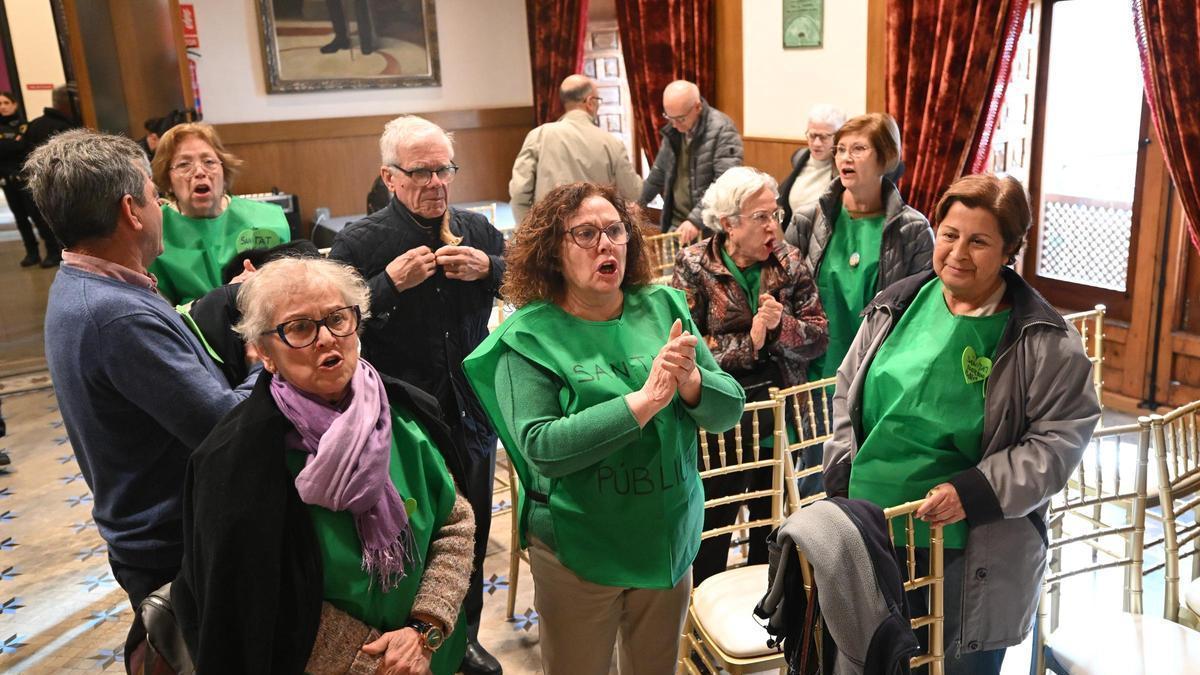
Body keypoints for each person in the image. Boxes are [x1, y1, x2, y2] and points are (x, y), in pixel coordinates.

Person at [823, 174, 1101, 674]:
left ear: (1010, 250)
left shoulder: (1044, 339)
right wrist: (842, 469)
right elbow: (848, 390)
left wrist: (972, 493)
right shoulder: (897, 304)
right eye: (950, 235)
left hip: (966, 548)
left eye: (979, 241)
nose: (957, 252)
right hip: (870, 529)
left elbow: (1058, 442)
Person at [463, 182, 745, 675]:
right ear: (553, 250)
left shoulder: (664, 307)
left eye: (615, 230)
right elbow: (542, 447)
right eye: (585, 233)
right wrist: (644, 401)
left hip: (666, 535)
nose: (605, 244)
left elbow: (728, 411)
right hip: (580, 548)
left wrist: (693, 382)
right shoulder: (528, 336)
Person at [172, 257, 475, 674]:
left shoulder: (407, 414)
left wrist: (425, 630)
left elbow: (455, 522)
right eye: (300, 328)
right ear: (265, 353)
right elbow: (252, 606)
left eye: (336, 319)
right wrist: (374, 663)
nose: (326, 339)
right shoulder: (233, 462)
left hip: (429, 655)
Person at [25, 129, 260, 660]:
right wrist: (260, 359)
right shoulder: (116, 314)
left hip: (156, 531)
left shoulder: (91, 285)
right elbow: (226, 428)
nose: (161, 210)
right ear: (131, 211)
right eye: (156, 198)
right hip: (173, 545)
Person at [329, 114, 505, 675]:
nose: (436, 183)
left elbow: (527, 284)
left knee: (473, 530)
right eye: (421, 172)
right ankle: (414, 644)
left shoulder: (477, 230)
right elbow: (331, 324)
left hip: (472, 410)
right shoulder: (358, 241)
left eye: (444, 169)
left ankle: (466, 635)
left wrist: (489, 268)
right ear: (390, 177)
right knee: (421, 535)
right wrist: (387, 287)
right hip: (401, 420)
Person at [671, 167, 829, 585]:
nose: (773, 226)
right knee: (712, 525)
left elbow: (819, 338)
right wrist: (751, 342)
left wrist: (780, 327)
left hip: (779, 413)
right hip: (717, 417)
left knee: (771, 529)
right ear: (729, 224)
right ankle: (702, 608)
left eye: (776, 214)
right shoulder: (693, 264)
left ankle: (766, 610)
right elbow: (686, 346)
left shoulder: (789, 261)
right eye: (761, 217)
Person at [785, 112, 932, 390]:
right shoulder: (807, 219)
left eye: (858, 149)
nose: (845, 158)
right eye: (840, 149)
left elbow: (922, 312)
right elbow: (783, 292)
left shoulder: (913, 230)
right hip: (812, 374)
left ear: (886, 157)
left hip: (877, 374)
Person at [148, 122, 291, 305]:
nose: (200, 172)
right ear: (168, 180)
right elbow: (162, 311)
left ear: (224, 172)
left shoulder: (268, 219)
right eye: (184, 164)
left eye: (209, 162)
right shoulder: (154, 231)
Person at [508, 74, 642, 223]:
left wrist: (528, 230)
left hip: (551, 231)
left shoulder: (538, 136)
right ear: (590, 102)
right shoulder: (612, 143)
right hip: (596, 231)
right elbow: (633, 191)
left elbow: (519, 192)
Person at [639, 80, 743, 243]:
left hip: (708, 228)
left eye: (680, 119)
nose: (674, 125)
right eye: (669, 118)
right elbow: (658, 173)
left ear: (697, 107)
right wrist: (638, 203)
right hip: (675, 224)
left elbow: (724, 185)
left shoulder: (723, 129)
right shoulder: (675, 130)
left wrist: (695, 221)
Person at [9, 85, 78, 267]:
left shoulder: (34, 124)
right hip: (64, 183)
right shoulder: (67, 127)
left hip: (39, 182)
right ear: (67, 103)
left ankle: (52, 253)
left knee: (43, 219)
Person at [777, 104, 845, 226]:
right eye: (812, 136)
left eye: (824, 137)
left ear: (838, 137)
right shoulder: (800, 159)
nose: (816, 143)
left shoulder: (844, 169)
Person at [0, 91, 39, 267]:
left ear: (14, 105)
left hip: (24, 178)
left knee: (36, 215)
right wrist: (13, 144)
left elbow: (23, 147)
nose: (2, 107)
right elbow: (14, 147)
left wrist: (8, 146)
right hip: (7, 180)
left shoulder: (25, 126)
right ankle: (32, 253)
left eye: (6, 103)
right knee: (20, 218)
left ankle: (53, 251)